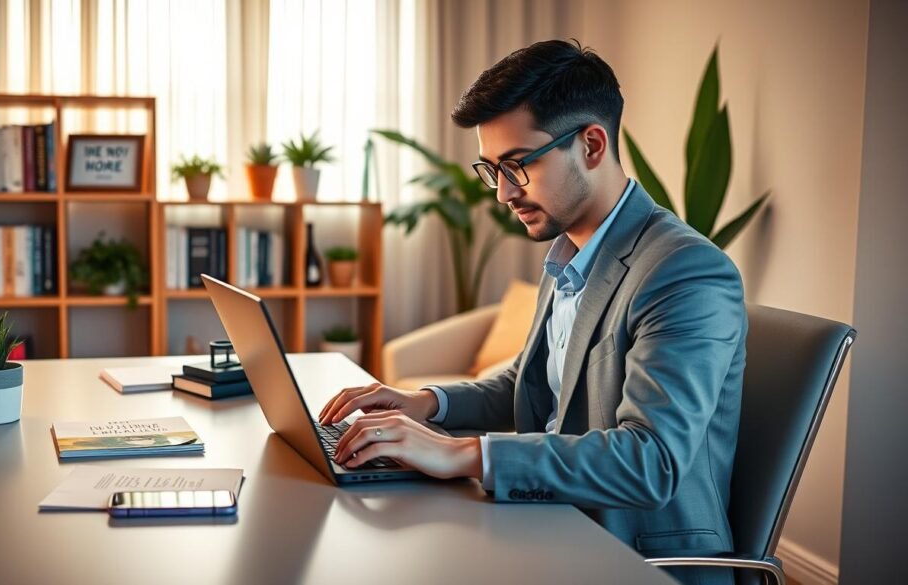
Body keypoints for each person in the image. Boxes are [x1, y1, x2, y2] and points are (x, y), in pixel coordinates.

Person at [318, 39, 745, 585]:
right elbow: (533, 381)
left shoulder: (683, 271)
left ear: (592, 144)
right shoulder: (571, 251)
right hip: (551, 519)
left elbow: (650, 461)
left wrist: (465, 455)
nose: (501, 193)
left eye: (517, 166)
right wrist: (426, 402)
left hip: (633, 555)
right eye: (492, 169)